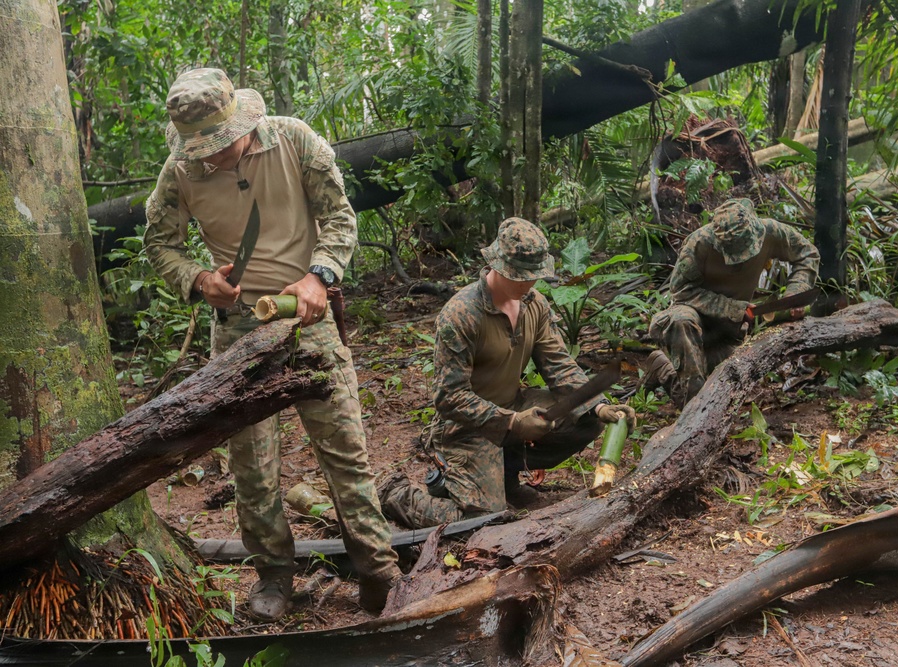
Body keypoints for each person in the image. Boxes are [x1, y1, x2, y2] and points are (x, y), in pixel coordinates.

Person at [143, 68, 401, 620]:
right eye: (198, 149)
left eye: (216, 145)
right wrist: (197, 279)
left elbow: (340, 217)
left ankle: (378, 570)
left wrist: (319, 276)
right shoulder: (180, 170)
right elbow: (159, 245)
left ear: (242, 122)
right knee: (251, 465)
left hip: (310, 319)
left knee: (344, 451)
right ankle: (273, 578)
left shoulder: (293, 140)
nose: (207, 157)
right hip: (238, 328)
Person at [379, 218, 636, 529]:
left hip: (514, 407)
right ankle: (397, 494)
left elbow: (558, 364)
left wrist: (598, 405)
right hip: (466, 429)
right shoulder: (461, 315)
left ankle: (504, 472)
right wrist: (512, 422)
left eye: (535, 276)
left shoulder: (534, 305)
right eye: (521, 277)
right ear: (497, 267)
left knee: (587, 418)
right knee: (484, 521)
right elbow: (449, 398)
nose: (530, 284)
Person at [643, 198, 819, 407]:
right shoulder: (700, 243)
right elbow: (681, 291)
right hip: (692, 321)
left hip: (728, 331)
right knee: (701, 401)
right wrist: (733, 308)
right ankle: (695, 414)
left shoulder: (771, 232)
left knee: (729, 393)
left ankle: (662, 367)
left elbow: (807, 254)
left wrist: (795, 292)